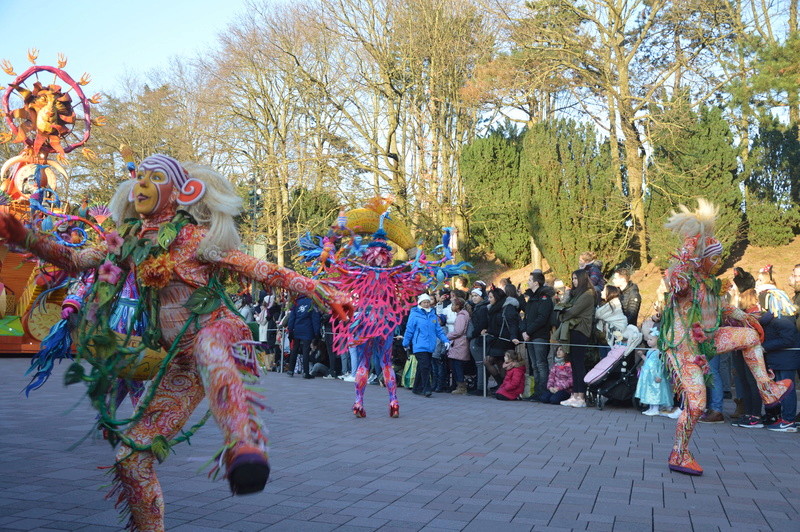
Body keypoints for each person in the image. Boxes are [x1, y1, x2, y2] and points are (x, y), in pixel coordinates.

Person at [0, 153, 351, 530]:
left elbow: (260, 268)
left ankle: (243, 447)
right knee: (130, 459)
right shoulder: (129, 241)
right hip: (181, 362)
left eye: (156, 177)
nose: (142, 184)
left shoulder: (196, 239)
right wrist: (26, 238)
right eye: (140, 177)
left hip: (221, 333)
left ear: (182, 192)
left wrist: (321, 291)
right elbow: (77, 260)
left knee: (207, 345)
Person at [659, 199, 792, 476]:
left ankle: (767, 389)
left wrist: (746, 318)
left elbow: (721, 307)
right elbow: (677, 278)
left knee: (749, 336)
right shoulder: (686, 281)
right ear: (701, 257)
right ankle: (679, 453)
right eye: (714, 258)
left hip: (709, 338)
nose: (718, 263)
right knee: (696, 405)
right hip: (684, 347)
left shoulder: (709, 284)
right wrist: (690, 247)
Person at [556, 269, 596, 408]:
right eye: (572, 278)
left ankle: (581, 396)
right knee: (572, 362)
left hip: (580, 331)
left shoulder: (588, 294)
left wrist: (562, 314)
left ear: (582, 279)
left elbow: (572, 311)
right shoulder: (576, 294)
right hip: (573, 330)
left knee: (579, 363)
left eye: (576, 278)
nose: (574, 281)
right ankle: (574, 394)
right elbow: (563, 306)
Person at [760, 310, 800, 431]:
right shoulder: (776, 320)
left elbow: (788, 339)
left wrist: (765, 346)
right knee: (781, 390)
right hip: (781, 358)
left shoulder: (781, 320)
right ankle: (785, 418)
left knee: (787, 390)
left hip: (786, 358)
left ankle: (788, 420)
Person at [404, 293, 450, 398]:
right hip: (419, 345)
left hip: (430, 345)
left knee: (422, 367)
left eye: (428, 302)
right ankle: (426, 388)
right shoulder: (414, 314)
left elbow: (438, 329)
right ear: (420, 303)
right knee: (426, 366)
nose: (426, 304)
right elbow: (409, 330)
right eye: (424, 302)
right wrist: (406, 343)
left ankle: (416, 388)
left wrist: (445, 340)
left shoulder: (432, 314)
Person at [521, 271, 554, 399]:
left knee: (541, 364)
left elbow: (542, 318)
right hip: (529, 336)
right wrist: (524, 331)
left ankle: (543, 391)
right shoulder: (531, 298)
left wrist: (528, 331)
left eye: (530, 280)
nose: (528, 282)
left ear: (536, 282)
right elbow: (526, 317)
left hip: (540, 335)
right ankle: (536, 392)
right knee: (534, 365)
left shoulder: (544, 298)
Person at [636, 327, 680, 418]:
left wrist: (658, 375)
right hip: (649, 375)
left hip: (655, 375)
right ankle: (651, 408)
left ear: (658, 340)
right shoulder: (650, 351)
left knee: (655, 390)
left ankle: (655, 408)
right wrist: (642, 355)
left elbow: (661, 365)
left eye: (651, 339)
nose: (648, 341)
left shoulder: (659, 352)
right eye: (648, 339)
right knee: (649, 391)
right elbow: (648, 361)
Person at [482, 287, 520, 391]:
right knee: (496, 362)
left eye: (490, 297)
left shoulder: (508, 307)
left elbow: (513, 324)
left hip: (505, 340)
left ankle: (502, 384)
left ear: (497, 297)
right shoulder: (494, 308)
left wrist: (513, 337)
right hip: (496, 339)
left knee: (495, 362)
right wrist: (488, 330)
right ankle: (501, 384)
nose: (489, 299)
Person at [286, 295, 322, 378]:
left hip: (297, 328)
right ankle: (306, 372)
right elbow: (315, 319)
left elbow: (292, 317)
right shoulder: (312, 302)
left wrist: (290, 329)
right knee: (305, 350)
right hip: (307, 329)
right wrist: (317, 332)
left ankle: (291, 370)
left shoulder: (296, 302)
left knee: (294, 349)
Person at [594, 284, 628, 358]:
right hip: (603, 338)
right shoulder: (604, 304)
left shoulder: (614, 305)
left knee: (611, 361)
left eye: (604, 290)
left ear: (609, 293)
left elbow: (598, 314)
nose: (602, 292)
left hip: (613, 339)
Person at [447, 296, 471, 394]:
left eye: (453, 304)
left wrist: (448, 336)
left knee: (457, 365)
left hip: (460, 343)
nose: (451, 306)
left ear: (457, 306)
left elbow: (459, 331)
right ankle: (459, 385)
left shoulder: (461, 316)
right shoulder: (463, 315)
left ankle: (461, 386)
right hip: (460, 342)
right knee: (456, 364)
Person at [467, 288, 489, 394]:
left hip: (478, 339)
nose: (474, 298)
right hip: (476, 337)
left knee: (480, 364)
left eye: (476, 296)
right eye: (472, 296)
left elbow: (481, 324)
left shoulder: (482, 308)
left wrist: (473, 334)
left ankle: (481, 388)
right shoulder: (477, 308)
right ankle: (480, 386)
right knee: (479, 364)